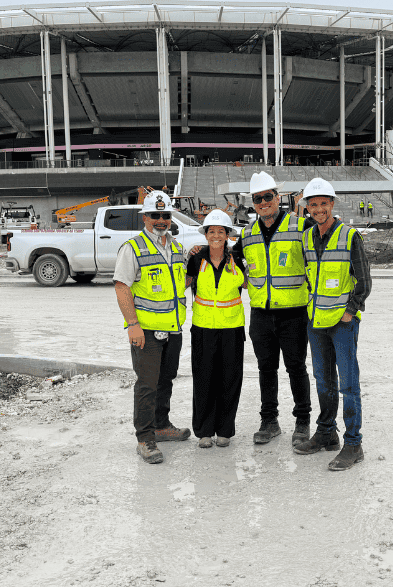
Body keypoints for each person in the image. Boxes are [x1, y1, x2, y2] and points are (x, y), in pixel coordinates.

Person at [294, 178, 372, 471]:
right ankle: (327, 432)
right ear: (308, 208)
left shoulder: (350, 236)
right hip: (316, 320)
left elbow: (364, 282)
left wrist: (350, 311)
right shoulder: (306, 238)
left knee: (348, 384)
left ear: (332, 204)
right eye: (313, 205)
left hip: (342, 322)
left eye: (323, 203)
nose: (318, 209)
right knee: (323, 380)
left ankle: (354, 443)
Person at [233, 171, 312, 445]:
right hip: (261, 315)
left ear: (278, 198)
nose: (264, 202)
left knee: (296, 368)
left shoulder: (300, 226)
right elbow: (227, 262)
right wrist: (200, 252)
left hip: (294, 313)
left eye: (268, 197)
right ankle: (269, 421)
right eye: (258, 199)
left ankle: (302, 422)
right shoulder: (247, 234)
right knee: (266, 369)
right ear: (252, 204)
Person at [114, 191, 191, 464]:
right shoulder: (132, 248)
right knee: (147, 385)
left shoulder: (176, 248)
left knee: (165, 381)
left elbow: (182, 282)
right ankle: (145, 438)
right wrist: (133, 325)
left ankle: (161, 425)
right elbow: (122, 287)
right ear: (145, 217)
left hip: (173, 328)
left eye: (165, 215)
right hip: (145, 331)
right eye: (155, 215)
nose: (161, 220)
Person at [186, 210, 246, 448]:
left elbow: (251, 283)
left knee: (230, 379)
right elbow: (183, 283)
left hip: (232, 328)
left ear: (228, 235)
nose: (216, 236)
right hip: (203, 329)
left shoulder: (237, 260)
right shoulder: (196, 258)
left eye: (221, 232)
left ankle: (224, 430)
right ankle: (204, 431)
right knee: (203, 379)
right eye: (212, 231)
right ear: (206, 234)